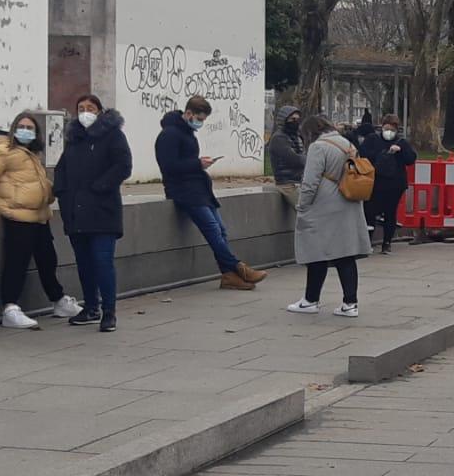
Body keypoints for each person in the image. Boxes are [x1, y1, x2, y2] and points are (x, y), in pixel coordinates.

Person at [0, 109, 83, 331]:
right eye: (21, 127)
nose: (25, 131)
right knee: (16, 263)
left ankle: (58, 300)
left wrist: (52, 193)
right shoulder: (3, 151)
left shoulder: (32, 154)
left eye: (30, 128)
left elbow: (36, 184)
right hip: (17, 216)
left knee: (48, 260)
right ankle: (10, 308)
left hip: (39, 216)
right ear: (14, 129)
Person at [156, 95, 266, 292]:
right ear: (188, 113)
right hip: (184, 191)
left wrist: (199, 164)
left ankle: (229, 276)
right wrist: (198, 164)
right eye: (199, 118)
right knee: (213, 229)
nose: (200, 123)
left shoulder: (187, 132)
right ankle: (238, 267)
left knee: (221, 230)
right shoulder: (170, 134)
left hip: (199, 189)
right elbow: (169, 166)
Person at [52, 93, 131, 331]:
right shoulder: (74, 139)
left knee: (102, 261)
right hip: (76, 213)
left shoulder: (113, 135)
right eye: (81, 108)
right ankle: (90, 308)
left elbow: (123, 166)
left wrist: (100, 187)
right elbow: (62, 170)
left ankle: (109, 311)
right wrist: (62, 194)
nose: (85, 112)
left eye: (90, 107)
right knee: (84, 263)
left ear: (99, 111)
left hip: (103, 212)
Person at [289, 113, 371, 316]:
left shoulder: (318, 147)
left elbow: (310, 182)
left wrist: (302, 206)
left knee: (316, 252)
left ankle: (310, 299)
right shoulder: (346, 144)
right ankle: (350, 304)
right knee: (345, 255)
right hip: (348, 203)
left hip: (324, 205)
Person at [367, 113, 416, 253]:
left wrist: (400, 152)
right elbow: (364, 154)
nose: (389, 132)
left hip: (394, 184)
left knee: (390, 212)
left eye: (392, 129)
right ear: (382, 127)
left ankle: (387, 242)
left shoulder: (402, 143)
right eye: (387, 128)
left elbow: (410, 159)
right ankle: (368, 240)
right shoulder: (373, 139)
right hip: (375, 182)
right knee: (370, 211)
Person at [268, 105, 306, 204]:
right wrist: (310, 160)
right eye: (293, 119)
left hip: (299, 182)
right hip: (287, 184)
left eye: (297, 119)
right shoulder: (279, 138)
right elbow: (294, 159)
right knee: (304, 208)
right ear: (284, 120)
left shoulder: (298, 136)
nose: (295, 121)